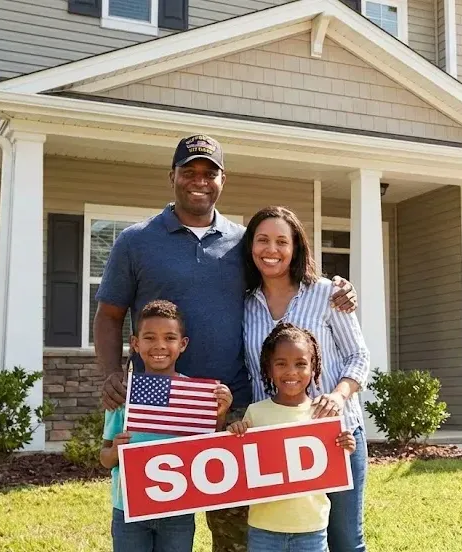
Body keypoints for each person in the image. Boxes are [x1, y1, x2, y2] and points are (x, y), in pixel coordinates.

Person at [93, 134, 359, 552]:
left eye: (209, 173)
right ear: (173, 176)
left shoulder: (241, 242)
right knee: (153, 522)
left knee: (234, 535)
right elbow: (108, 316)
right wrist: (110, 374)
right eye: (190, 171)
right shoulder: (135, 241)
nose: (200, 180)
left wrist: (337, 289)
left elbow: (284, 269)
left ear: (222, 180)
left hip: (230, 407)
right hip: (157, 404)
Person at [241, 206, 370, 552]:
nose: (272, 250)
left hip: (336, 435)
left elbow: (359, 355)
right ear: (250, 246)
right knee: (282, 533)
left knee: (345, 539)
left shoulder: (329, 294)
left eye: (282, 241)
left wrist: (339, 395)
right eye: (263, 240)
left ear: (296, 247)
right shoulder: (245, 303)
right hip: (274, 440)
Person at [101, 299, 234, 552]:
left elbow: (210, 452)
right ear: (136, 343)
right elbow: (104, 457)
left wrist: (220, 413)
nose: (160, 345)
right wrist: (116, 451)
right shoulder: (124, 394)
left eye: (169, 338)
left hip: (177, 509)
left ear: (182, 344)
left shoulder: (197, 396)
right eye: (149, 338)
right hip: (129, 508)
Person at [228, 322, 357, 552]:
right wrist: (235, 433)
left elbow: (333, 465)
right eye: (281, 364)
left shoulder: (323, 413)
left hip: (311, 529)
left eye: (300, 364)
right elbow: (240, 465)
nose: (291, 372)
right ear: (268, 368)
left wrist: (346, 446)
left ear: (313, 367)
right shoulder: (255, 412)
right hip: (263, 529)